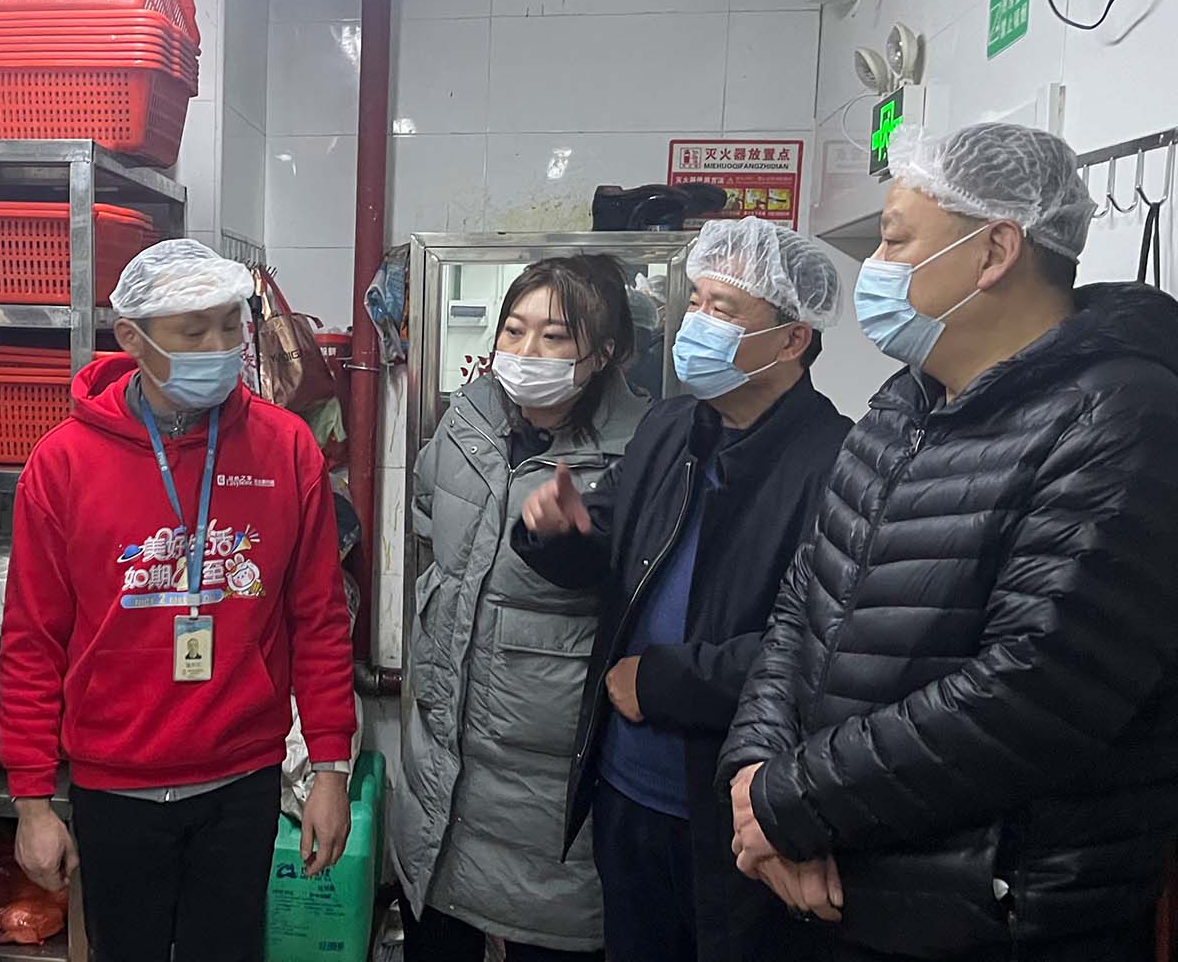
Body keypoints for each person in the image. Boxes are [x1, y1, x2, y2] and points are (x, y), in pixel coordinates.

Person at [720, 122, 1178, 961]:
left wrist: (790, 802)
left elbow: (1035, 693)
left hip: (993, 921)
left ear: (994, 251)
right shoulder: (902, 406)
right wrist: (754, 777)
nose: (875, 267)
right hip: (838, 885)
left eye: (895, 240)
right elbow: (800, 609)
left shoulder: (1120, 418)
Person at [0, 238, 357, 962]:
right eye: (194, 333)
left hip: (242, 777)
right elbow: (32, 641)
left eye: (229, 326)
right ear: (132, 338)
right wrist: (32, 801)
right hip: (114, 781)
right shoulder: (64, 462)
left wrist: (330, 769)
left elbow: (319, 620)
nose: (220, 348)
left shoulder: (286, 449)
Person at [512, 219, 849, 962]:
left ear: (792, 339)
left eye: (722, 310)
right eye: (694, 301)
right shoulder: (671, 428)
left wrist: (665, 683)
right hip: (624, 789)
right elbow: (612, 548)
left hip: (735, 811)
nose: (695, 323)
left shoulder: (835, 462)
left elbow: (822, 647)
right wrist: (560, 531)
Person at [392, 255, 648, 962]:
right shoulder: (467, 418)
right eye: (514, 329)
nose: (526, 351)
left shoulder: (639, 451)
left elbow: (633, 595)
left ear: (600, 354)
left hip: (542, 789)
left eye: (554, 336)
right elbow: (429, 520)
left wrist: (567, 542)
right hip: (440, 771)